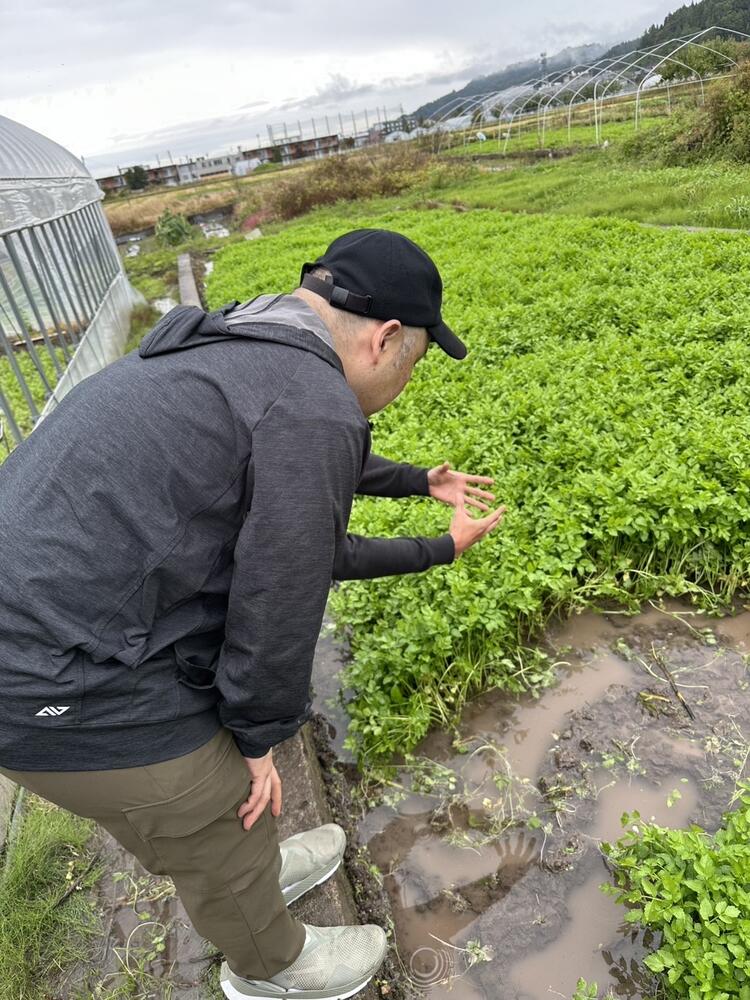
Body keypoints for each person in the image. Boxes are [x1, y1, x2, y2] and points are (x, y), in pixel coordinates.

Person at [0, 228, 504, 1000]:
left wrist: (414, 484)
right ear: (386, 339)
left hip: (52, 617)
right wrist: (258, 738)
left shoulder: (242, 339)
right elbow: (281, 595)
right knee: (219, 795)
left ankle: (256, 870)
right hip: (43, 673)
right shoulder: (313, 406)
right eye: (418, 362)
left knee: (218, 788)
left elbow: (289, 469)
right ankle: (271, 967)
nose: (408, 379)